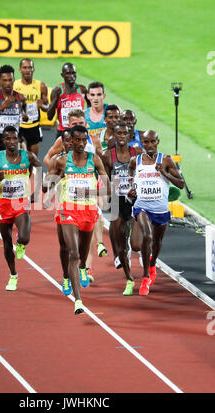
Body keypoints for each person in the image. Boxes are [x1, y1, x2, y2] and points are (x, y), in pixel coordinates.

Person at [43, 125, 110, 314]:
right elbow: (46, 185)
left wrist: (89, 191)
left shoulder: (94, 160)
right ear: (69, 141)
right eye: (76, 140)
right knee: (72, 252)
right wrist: (50, 180)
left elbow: (109, 189)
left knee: (82, 251)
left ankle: (82, 268)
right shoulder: (62, 161)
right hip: (68, 210)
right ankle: (78, 299)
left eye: (83, 140)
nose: (80, 144)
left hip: (88, 212)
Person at [128, 130, 184, 295]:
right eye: (146, 142)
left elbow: (181, 184)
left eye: (152, 142)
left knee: (157, 241)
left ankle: (152, 265)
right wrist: (131, 188)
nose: (149, 145)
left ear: (158, 141)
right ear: (142, 142)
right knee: (147, 236)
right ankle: (145, 278)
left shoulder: (166, 160)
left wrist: (164, 173)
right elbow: (131, 174)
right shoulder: (135, 160)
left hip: (160, 209)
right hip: (142, 206)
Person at [0, 125, 42, 291]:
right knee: (6, 242)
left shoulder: (28, 156)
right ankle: (13, 275)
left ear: (19, 140)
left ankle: (20, 243)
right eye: (8, 139)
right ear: (3, 141)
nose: (12, 142)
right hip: (3, 203)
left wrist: (36, 191)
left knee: (25, 237)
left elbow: (40, 169)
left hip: (20, 203)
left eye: (14, 138)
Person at [102, 123, 142, 295]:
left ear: (129, 135)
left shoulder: (137, 153)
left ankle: (147, 268)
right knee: (120, 245)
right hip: (118, 200)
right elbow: (105, 180)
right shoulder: (107, 156)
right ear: (114, 135)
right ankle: (129, 279)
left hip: (136, 199)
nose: (122, 136)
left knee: (137, 244)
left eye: (125, 133)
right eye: (118, 133)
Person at [43, 128, 73, 294]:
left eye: (72, 140)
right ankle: (66, 276)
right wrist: (56, 175)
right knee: (65, 247)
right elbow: (46, 185)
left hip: (83, 207)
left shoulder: (88, 159)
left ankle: (82, 267)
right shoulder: (58, 161)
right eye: (66, 141)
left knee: (78, 247)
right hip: (64, 207)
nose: (69, 143)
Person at [13, 58, 49, 156]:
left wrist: (42, 106)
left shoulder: (41, 86)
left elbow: (48, 108)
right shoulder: (14, 85)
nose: (27, 70)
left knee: (33, 158)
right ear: (20, 69)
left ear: (33, 69)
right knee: (22, 154)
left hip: (34, 127)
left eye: (30, 67)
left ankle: (32, 171)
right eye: (25, 67)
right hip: (19, 126)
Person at [47, 63, 87, 138]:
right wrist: (56, 98)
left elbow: (90, 106)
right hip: (63, 132)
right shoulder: (57, 91)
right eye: (68, 73)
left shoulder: (82, 89)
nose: (71, 76)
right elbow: (49, 117)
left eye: (73, 73)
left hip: (80, 131)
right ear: (62, 75)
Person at [85, 82, 121, 152]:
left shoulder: (113, 111)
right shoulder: (83, 116)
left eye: (99, 95)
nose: (95, 98)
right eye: (92, 95)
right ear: (88, 96)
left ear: (103, 96)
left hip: (113, 152)